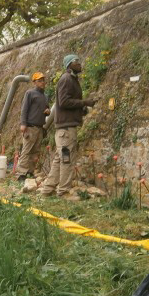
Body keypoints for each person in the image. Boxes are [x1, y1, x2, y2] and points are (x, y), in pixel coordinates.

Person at [40, 54, 97, 197]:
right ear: (69, 65)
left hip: (65, 128)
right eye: (76, 61)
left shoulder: (71, 80)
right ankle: (63, 191)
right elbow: (64, 102)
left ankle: (47, 190)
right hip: (66, 129)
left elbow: (68, 102)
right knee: (66, 159)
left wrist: (81, 108)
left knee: (60, 159)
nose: (79, 63)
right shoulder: (66, 79)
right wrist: (84, 102)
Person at [16, 72, 50, 180]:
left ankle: (30, 172)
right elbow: (24, 109)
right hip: (30, 127)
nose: (42, 82)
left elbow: (47, 109)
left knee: (35, 152)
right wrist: (23, 124)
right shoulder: (30, 93)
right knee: (26, 151)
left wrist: (48, 111)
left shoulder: (45, 96)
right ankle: (21, 174)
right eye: (39, 81)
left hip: (40, 128)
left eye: (43, 80)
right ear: (34, 82)